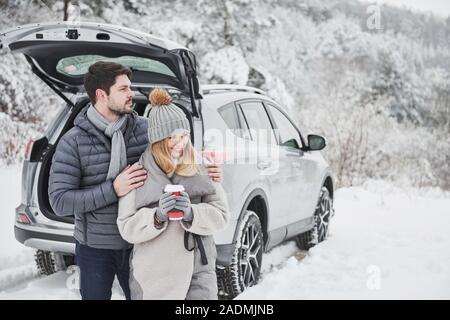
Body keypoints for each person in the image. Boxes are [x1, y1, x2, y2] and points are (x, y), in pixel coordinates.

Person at [48, 61, 222, 300]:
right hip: (97, 248)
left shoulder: (146, 128)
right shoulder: (73, 142)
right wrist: (113, 189)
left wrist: (207, 169)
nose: (132, 93)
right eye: (123, 89)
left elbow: (176, 152)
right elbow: (60, 202)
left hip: (145, 244)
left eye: (130, 87)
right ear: (101, 94)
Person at [117, 88, 229, 300]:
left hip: (197, 270)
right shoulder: (138, 173)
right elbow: (126, 227)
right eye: (173, 137)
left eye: (184, 136)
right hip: (151, 275)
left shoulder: (202, 167)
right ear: (158, 140)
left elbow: (221, 215)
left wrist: (191, 213)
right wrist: (157, 216)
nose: (181, 143)